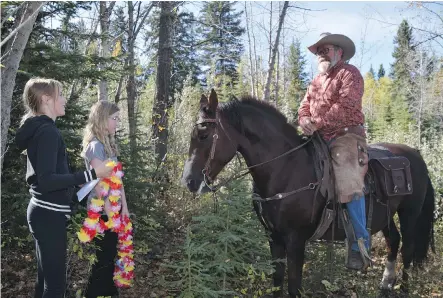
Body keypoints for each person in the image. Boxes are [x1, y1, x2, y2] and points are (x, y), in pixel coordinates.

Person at [16, 77, 114, 298]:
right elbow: (47, 180)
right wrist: (92, 174)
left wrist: (76, 180)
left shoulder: (41, 129)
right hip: (48, 215)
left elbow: (49, 176)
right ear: (46, 99)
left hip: (44, 213)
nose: (65, 99)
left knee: (45, 281)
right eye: (61, 95)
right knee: (55, 287)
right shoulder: (48, 132)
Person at [298, 32, 370, 270]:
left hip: (345, 135)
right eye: (318, 51)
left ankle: (359, 244)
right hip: (318, 137)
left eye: (325, 49)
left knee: (349, 180)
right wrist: (304, 120)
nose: (321, 54)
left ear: (339, 52)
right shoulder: (315, 82)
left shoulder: (350, 74)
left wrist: (318, 122)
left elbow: (346, 104)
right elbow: (304, 105)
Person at [81, 100, 129, 298]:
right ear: (102, 119)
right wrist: (111, 215)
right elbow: (100, 185)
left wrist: (124, 208)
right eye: (114, 118)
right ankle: (94, 294)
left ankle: (109, 293)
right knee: (103, 258)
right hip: (101, 212)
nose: (117, 123)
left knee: (109, 256)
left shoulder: (108, 146)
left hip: (114, 209)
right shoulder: (95, 147)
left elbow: (118, 180)